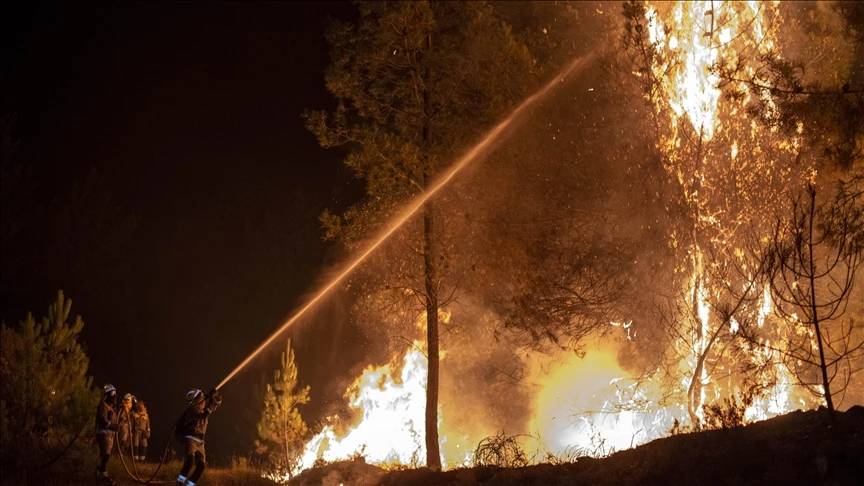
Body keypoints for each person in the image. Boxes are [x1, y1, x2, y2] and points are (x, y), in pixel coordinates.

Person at [175, 388, 223, 486]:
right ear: (196, 399)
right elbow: (203, 415)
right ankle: (179, 483)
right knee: (190, 462)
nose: (203, 399)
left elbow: (212, 407)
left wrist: (215, 399)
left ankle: (189, 484)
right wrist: (210, 401)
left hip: (200, 441)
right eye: (201, 397)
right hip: (191, 438)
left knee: (201, 465)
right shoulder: (192, 409)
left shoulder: (202, 409)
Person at [95, 384, 118, 485]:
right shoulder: (103, 406)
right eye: (112, 394)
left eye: (115, 394)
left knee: (106, 456)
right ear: (107, 395)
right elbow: (102, 419)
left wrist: (115, 426)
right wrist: (111, 425)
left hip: (109, 436)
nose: (114, 396)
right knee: (105, 455)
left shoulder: (111, 407)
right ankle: (101, 475)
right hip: (103, 434)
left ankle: (101, 473)